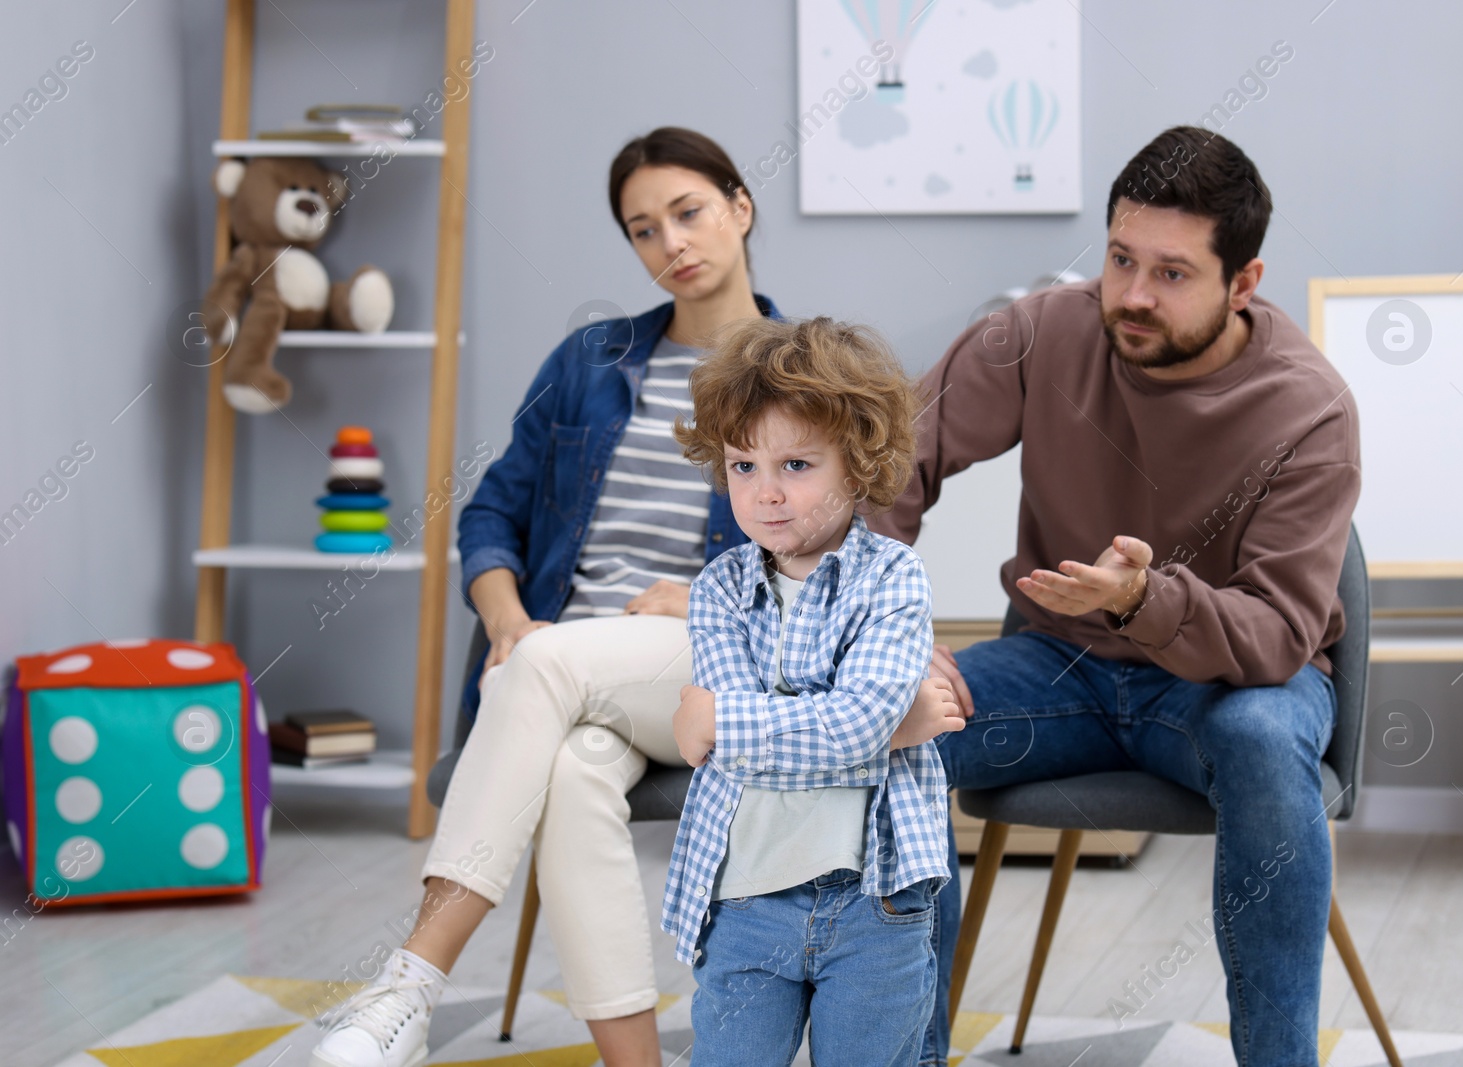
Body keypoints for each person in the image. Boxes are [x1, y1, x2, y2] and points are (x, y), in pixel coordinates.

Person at [868, 125, 1361, 1067]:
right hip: (1060, 667)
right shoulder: (1046, 330)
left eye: (1172, 274)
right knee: (897, 723)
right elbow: (892, 462)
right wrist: (890, 632)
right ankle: (904, 1055)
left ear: (1243, 284)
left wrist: (1146, 601)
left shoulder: (1310, 408)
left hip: (1227, 689)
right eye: (1121, 258)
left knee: (1263, 739)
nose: (1132, 296)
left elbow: (1279, 634)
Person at [309, 126, 779, 1067]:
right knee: (568, 773)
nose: (671, 243)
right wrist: (504, 615)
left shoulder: (797, 371)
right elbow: (490, 514)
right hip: (565, 665)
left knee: (546, 662)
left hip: (708, 662)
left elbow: (838, 550)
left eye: (688, 213)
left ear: (740, 207)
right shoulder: (589, 362)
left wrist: (704, 599)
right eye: (643, 230)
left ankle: (410, 983)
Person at [661, 317, 965, 1067]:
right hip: (746, 901)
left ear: (858, 465)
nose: (765, 494)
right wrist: (890, 727)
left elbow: (743, 732)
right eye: (742, 466)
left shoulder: (893, 577)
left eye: (796, 464)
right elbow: (819, 736)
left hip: (877, 904)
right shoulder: (719, 591)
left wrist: (724, 718)